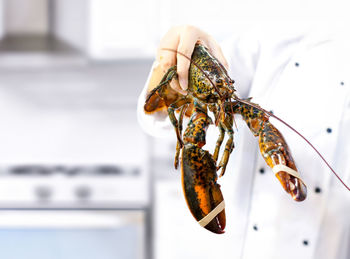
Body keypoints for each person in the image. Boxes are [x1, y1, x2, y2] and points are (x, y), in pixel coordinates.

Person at [138, 24, 350, 259]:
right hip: (238, 247)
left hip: (330, 249)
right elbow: (155, 120)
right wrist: (168, 62)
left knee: (254, 117)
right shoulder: (274, 46)